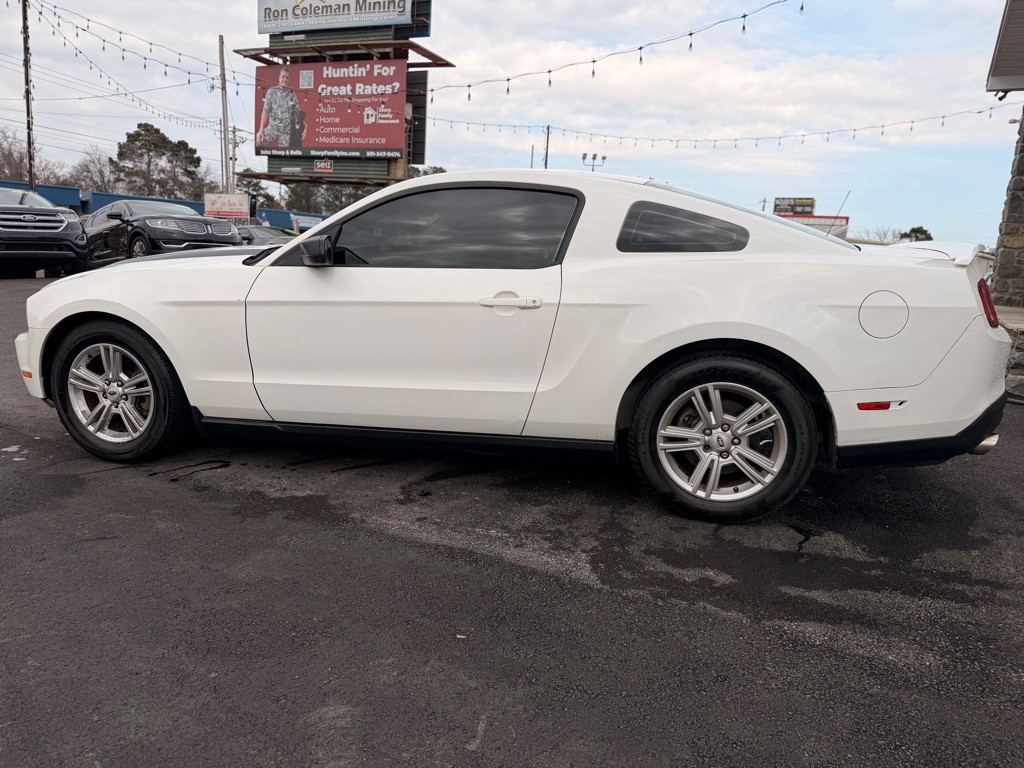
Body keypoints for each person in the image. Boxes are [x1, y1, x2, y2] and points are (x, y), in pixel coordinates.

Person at [256, 68, 306, 148]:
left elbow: (297, 113)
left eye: (287, 78)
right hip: (273, 128)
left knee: (285, 155)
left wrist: (305, 126)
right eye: (283, 77)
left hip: (286, 131)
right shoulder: (271, 91)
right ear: (279, 78)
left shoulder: (292, 94)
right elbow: (265, 111)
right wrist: (260, 130)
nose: (285, 79)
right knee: (259, 142)